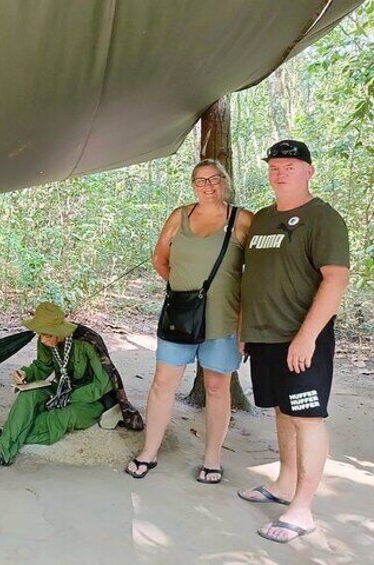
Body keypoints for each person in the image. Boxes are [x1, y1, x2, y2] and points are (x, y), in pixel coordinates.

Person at [237, 140, 349, 543]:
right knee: (283, 412)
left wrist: (307, 336)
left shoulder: (323, 218)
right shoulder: (264, 219)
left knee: (306, 418)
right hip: (264, 337)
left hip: (303, 338)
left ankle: (301, 509)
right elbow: (254, 278)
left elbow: (335, 280)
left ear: (308, 171)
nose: (280, 172)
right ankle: (283, 484)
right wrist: (244, 330)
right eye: (274, 166)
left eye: (289, 165)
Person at [126, 159, 253, 482]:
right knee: (163, 384)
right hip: (180, 317)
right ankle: (149, 452)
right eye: (200, 180)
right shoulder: (180, 215)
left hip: (224, 320)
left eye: (214, 179)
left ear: (224, 182)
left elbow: (257, 273)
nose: (207, 186)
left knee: (216, 386)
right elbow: (159, 258)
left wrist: (245, 321)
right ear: (193, 185)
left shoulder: (242, 220)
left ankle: (212, 459)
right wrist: (184, 289)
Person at [0, 303, 117, 466]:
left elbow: (103, 383)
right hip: (61, 390)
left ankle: (5, 439)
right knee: (29, 394)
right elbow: (43, 366)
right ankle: (4, 445)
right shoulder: (46, 339)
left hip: (89, 401)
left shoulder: (86, 344)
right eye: (40, 334)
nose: (42, 340)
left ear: (59, 331)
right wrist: (26, 373)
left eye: (47, 335)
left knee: (57, 417)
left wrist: (70, 397)